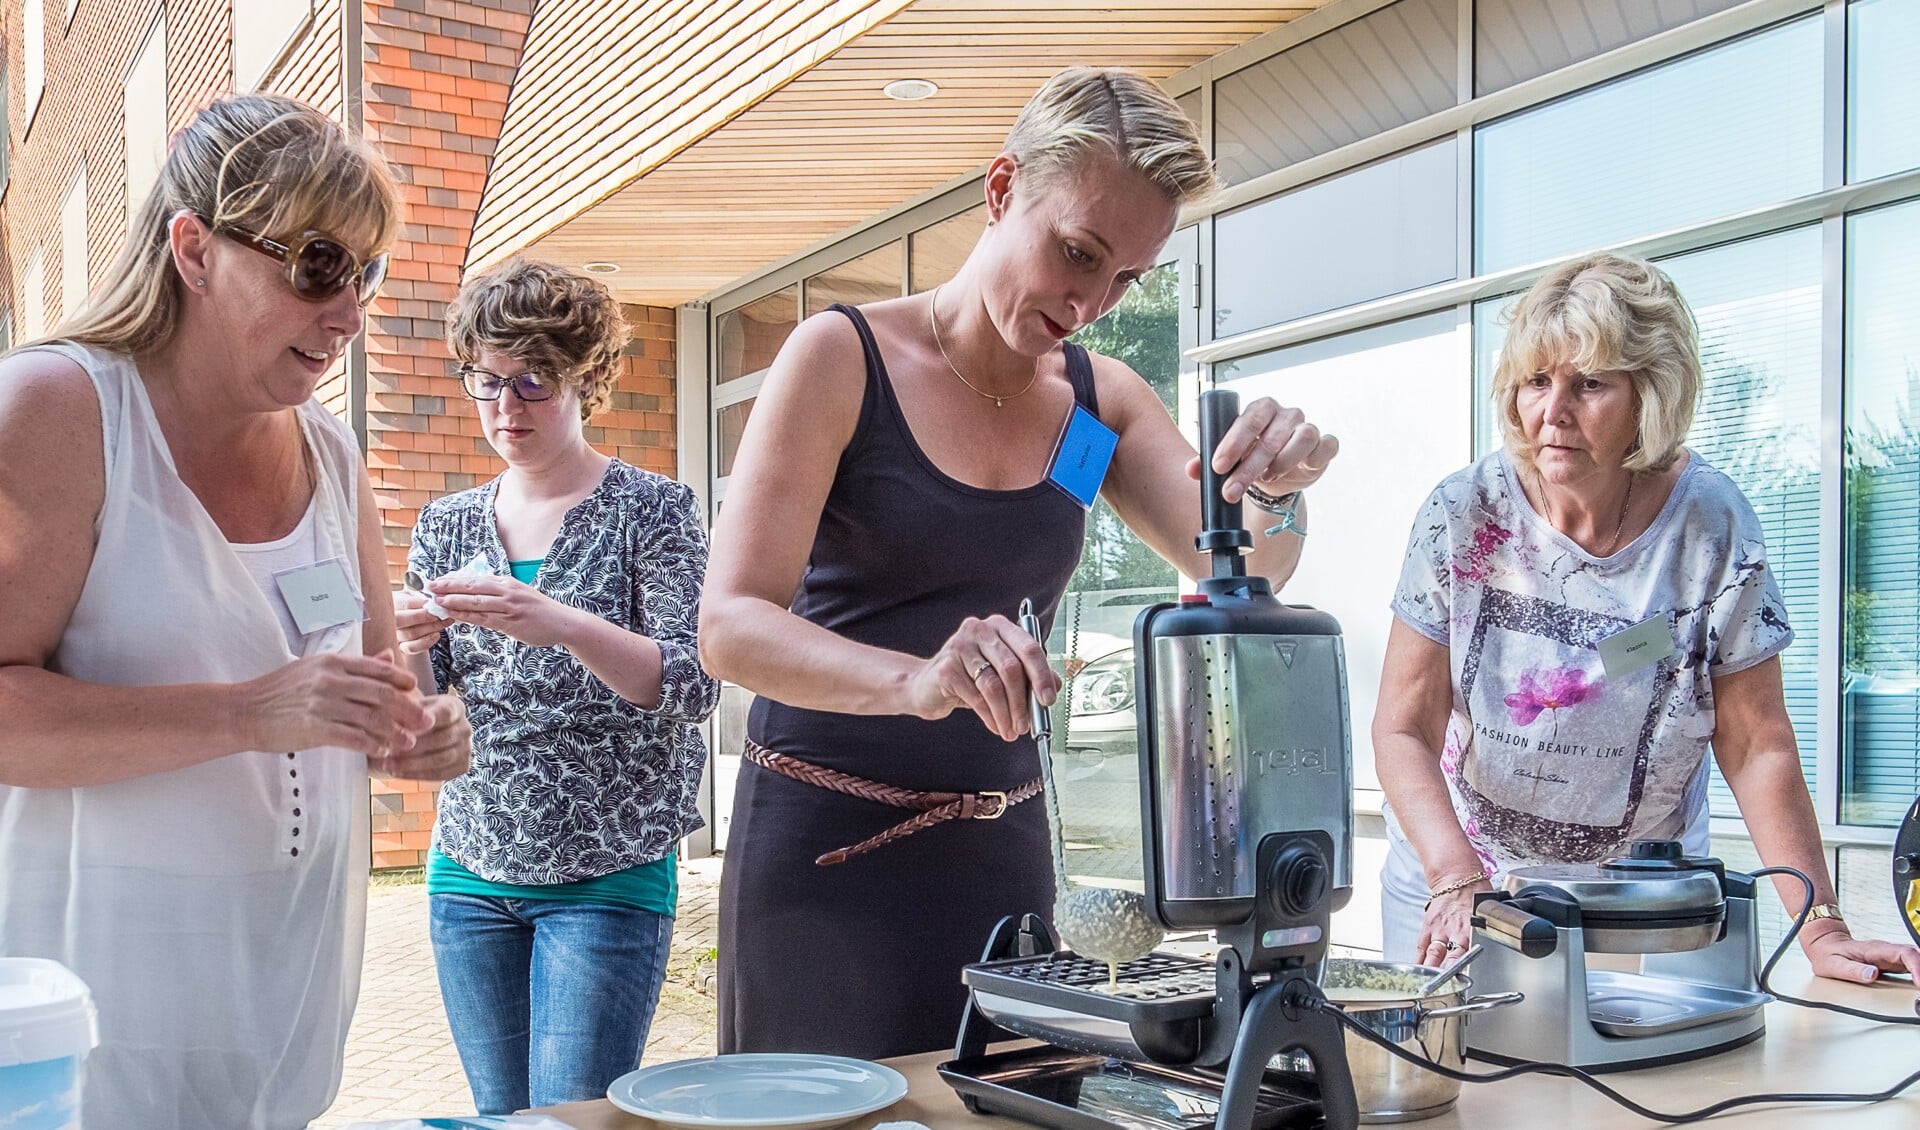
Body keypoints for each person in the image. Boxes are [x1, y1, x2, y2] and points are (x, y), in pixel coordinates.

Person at [699, 66, 1340, 1059]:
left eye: (1127, 278)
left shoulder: (1095, 400)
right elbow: (729, 623)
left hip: (1000, 854)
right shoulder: (840, 358)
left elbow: (1255, 566)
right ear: (1002, 190)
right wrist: (914, 680)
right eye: (1076, 251)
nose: (1089, 300)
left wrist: (1275, 484)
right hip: (825, 849)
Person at [0, 93, 472, 1129]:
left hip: (285, 1010)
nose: (350, 313)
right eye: (316, 267)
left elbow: (377, 692)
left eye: (367, 273)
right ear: (195, 247)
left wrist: (417, 733)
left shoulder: (334, 454)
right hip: (90, 1032)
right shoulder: (58, 408)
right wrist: (247, 713)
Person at [1373, 252, 1920, 982]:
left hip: (1637, 897)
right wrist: (1452, 872)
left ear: (1649, 395)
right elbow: (1403, 725)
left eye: (1589, 384)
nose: (1553, 412)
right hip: (1459, 880)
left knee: (1631, 1087)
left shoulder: (1710, 527)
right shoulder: (1465, 514)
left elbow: (1758, 746)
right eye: (1537, 381)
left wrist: (1819, 924)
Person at [393, 258, 720, 1113]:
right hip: (469, 868)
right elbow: (434, 707)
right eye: (487, 382)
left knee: (574, 1118)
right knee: (501, 1118)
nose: (506, 408)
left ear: (585, 377)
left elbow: (689, 683)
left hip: (607, 880)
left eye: (533, 383)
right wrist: (411, 644)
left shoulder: (653, 509)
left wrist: (559, 620)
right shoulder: (447, 522)